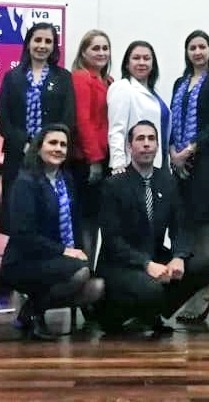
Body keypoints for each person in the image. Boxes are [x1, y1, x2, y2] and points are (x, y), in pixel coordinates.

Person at [95, 120, 209, 335]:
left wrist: (179, 256)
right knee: (152, 287)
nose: (146, 144)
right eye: (140, 139)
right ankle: (124, 315)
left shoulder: (167, 181)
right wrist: (146, 264)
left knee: (203, 265)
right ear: (130, 146)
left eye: (151, 139)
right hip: (120, 264)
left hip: (155, 256)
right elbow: (112, 240)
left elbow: (180, 226)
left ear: (158, 146)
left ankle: (150, 313)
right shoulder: (114, 185)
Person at [0, 124, 104, 340]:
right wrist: (64, 252)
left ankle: (30, 311)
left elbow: (74, 224)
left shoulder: (67, 180)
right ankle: (34, 312)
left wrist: (78, 252)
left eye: (63, 145)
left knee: (96, 287)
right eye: (52, 143)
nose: (58, 148)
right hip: (23, 261)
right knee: (80, 273)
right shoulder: (25, 182)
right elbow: (23, 235)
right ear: (39, 148)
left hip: (55, 260)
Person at [168, 30, 209, 324]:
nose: (197, 52)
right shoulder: (180, 83)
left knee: (204, 227)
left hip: (208, 164)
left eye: (202, 46)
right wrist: (173, 151)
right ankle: (187, 291)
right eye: (192, 47)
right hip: (180, 164)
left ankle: (204, 295)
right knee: (184, 226)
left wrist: (190, 149)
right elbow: (172, 121)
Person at [0, 22, 76, 233]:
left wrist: (45, 145)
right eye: (38, 40)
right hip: (18, 155)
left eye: (48, 41)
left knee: (49, 212)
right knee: (15, 213)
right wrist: (26, 145)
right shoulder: (12, 77)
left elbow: (68, 117)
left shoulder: (63, 78)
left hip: (53, 156)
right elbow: (4, 118)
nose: (42, 45)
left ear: (54, 46)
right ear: (28, 43)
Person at [70, 29, 113, 264]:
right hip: (86, 161)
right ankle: (84, 272)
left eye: (105, 48)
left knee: (97, 221)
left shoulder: (108, 81)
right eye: (95, 48)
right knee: (86, 222)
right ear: (83, 52)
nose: (101, 52)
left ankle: (92, 271)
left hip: (104, 159)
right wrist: (94, 159)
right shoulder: (81, 77)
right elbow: (82, 121)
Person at [107, 40, 170, 174]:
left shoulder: (153, 93)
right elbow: (117, 129)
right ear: (127, 64)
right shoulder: (122, 87)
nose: (142, 62)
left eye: (146, 58)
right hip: (133, 166)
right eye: (136, 58)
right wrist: (118, 164)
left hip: (158, 163)